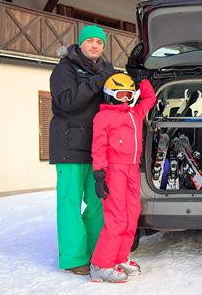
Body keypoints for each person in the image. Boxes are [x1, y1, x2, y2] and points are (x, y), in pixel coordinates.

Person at [49, 24, 114, 275]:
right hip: (68, 146)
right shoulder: (64, 68)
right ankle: (74, 258)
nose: (95, 45)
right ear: (81, 43)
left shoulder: (107, 71)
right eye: (91, 41)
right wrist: (98, 81)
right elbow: (67, 101)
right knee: (69, 203)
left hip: (96, 147)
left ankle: (95, 250)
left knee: (99, 201)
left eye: (100, 42)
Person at [89, 73, 156, 283]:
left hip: (132, 169)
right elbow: (98, 146)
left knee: (131, 215)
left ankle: (119, 258)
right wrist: (99, 174)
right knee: (116, 218)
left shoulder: (134, 113)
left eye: (129, 94)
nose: (126, 99)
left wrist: (142, 80)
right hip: (114, 170)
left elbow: (150, 99)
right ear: (110, 95)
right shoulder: (103, 117)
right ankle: (101, 264)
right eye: (122, 94)